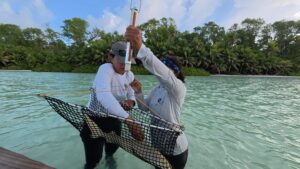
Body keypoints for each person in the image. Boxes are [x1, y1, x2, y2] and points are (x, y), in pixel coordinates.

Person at [126, 26, 188, 169]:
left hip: (176, 150)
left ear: (176, 73)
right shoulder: (157, 88)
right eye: (163, 66)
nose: (162, 71)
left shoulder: (179, 89)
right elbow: (143, 108)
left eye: (167, 67)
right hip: (158, 145)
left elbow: (164, 75)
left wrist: (141, 48)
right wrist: (139, 92)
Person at [80, 41, 144, 169]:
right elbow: (103, 96)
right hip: (94, 120)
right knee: (94, 160)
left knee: (111, 151)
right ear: (111, 56)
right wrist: (129, 120)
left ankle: (110, 161)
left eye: (127, 62)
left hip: (115, 120)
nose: (124, 65)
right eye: (121, 61)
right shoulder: (105, 69)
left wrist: (131, 101)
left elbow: (132, 96)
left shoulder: (129, 74)